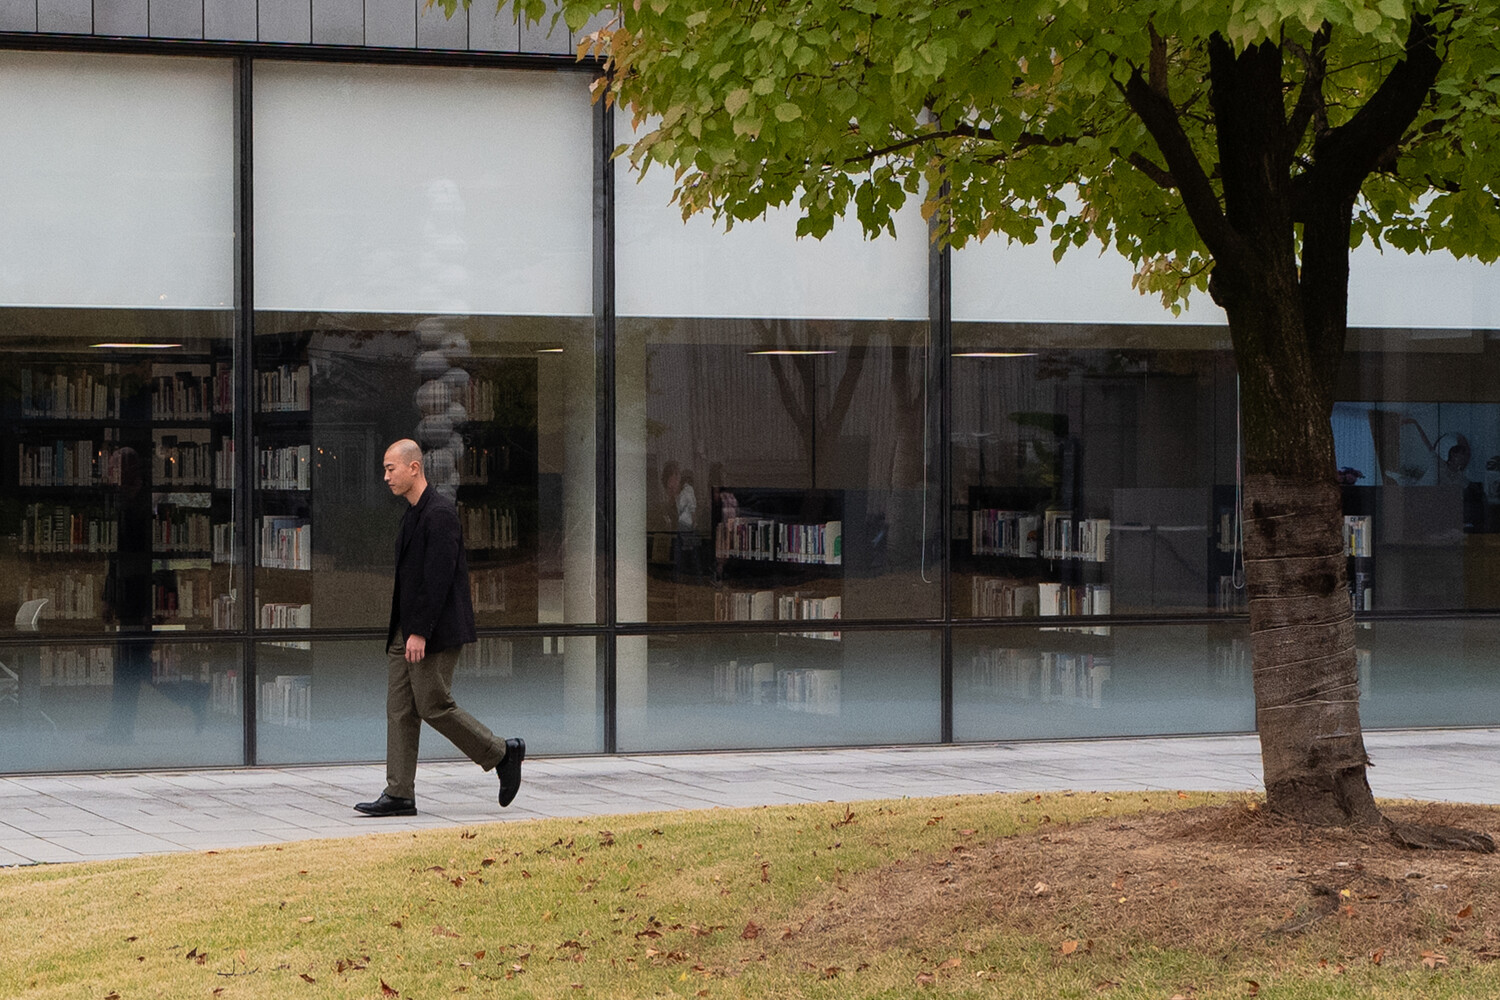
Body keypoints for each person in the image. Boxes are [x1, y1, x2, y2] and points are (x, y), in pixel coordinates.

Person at [354, 439, 523, 817]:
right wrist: (405, 631)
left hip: (432, 631)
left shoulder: (440, 514)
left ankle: (501, 753)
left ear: (414, 468)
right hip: (405, 630)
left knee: (433, 704)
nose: (385, 477)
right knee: (400, 709)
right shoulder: (413, 514)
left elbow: (439, 580)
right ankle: (399, 793)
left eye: (390, 469)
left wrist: (420, 632)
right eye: (384, 470)